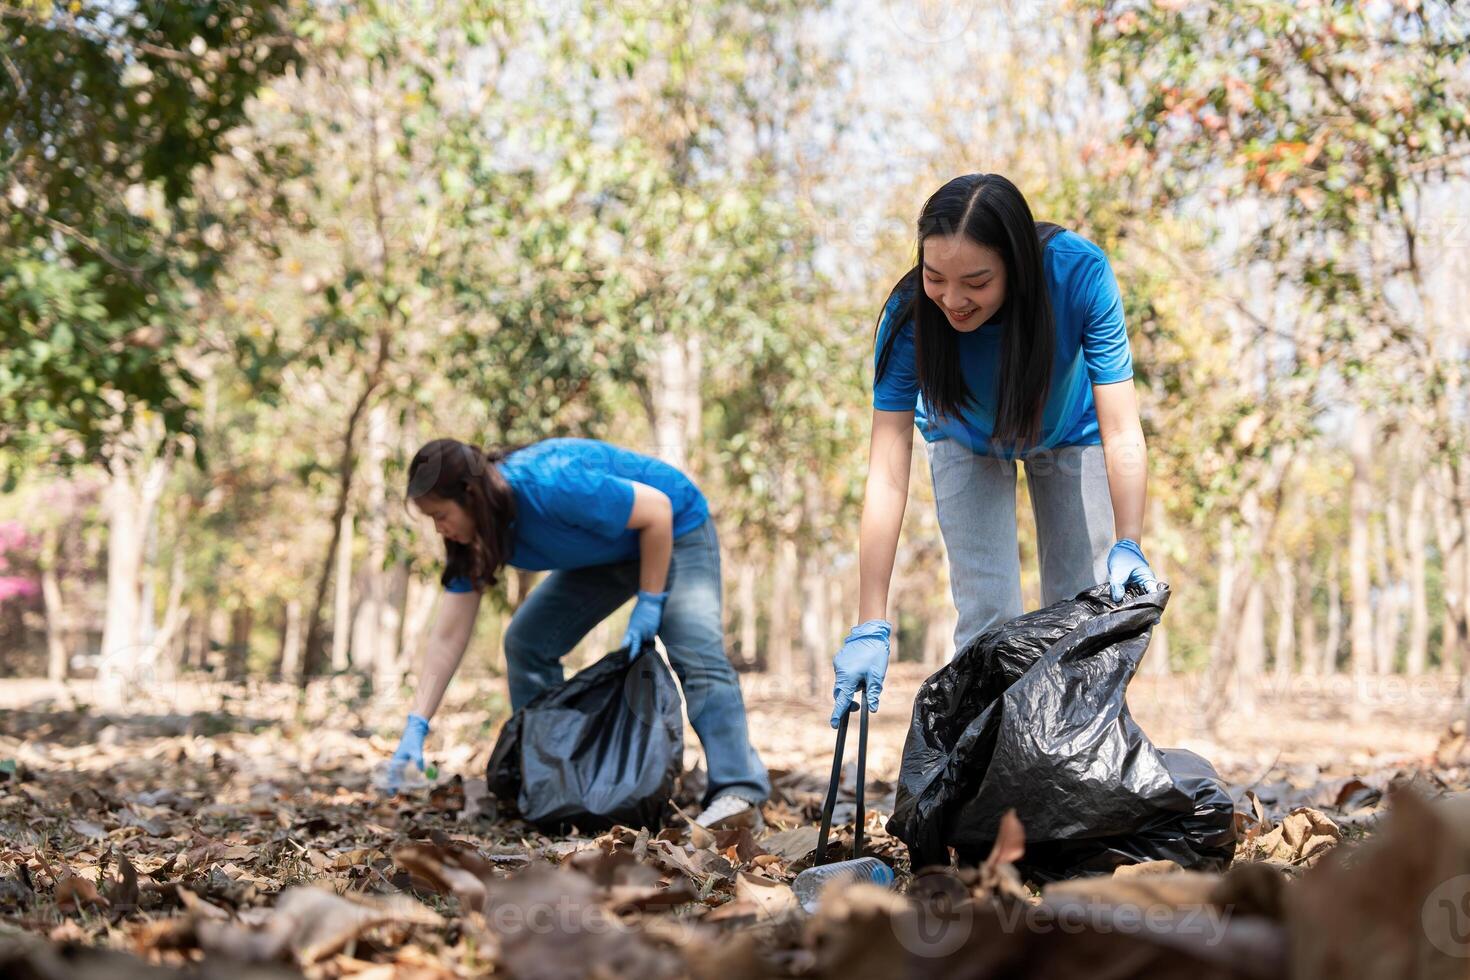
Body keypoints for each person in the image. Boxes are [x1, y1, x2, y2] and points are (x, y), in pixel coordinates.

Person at [831, 173, 1162, 728]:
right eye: (936, 277)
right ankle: (985, 790)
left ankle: (1076, 777)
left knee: (1085, 614)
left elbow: (1123, 428)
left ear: (1016, 266)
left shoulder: (1079, 275)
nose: (953, 301)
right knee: (990, 614)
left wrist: (1129, 538)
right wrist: (870, 620)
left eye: (976, 282)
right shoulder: (910, 318)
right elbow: (886, 475)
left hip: (1069, 430)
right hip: (964, 439)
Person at [385, 437, 769, 830]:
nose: (440, 529)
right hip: (609, 552)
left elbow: (657, 510)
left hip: (674, 526)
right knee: (527, 642)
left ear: (470, 494)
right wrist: (417, 724)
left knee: (694, 653)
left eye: (440, 515)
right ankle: (549, 783)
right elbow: (447, 637)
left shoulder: (548, 485)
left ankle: (738, 792)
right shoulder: (473, 538)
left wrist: (651, 600)